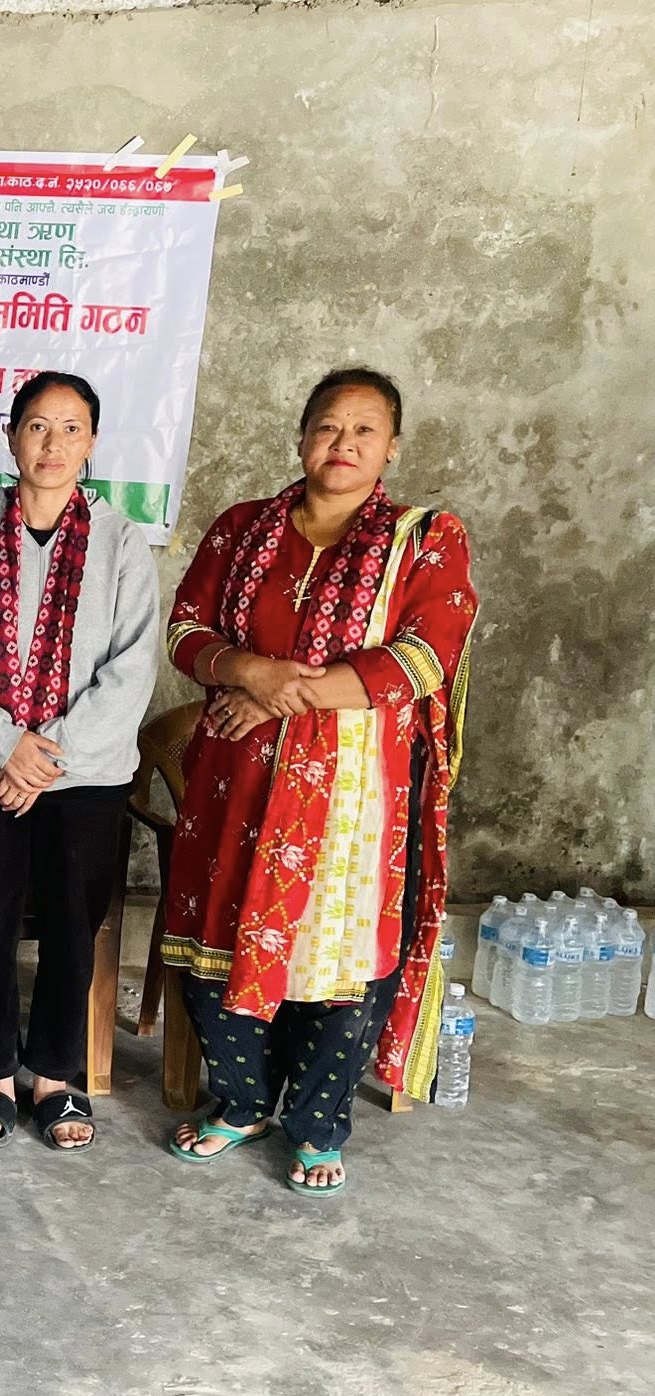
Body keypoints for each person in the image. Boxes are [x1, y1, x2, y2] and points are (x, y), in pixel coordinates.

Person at [160, 368, 477, 1196]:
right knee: (219, 940)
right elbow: (187, 630)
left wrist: (277, 693)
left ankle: (317, 1126)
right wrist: (246, 670)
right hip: (234, 784)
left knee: (337, 958)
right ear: (302, 437)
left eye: (365, 430)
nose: (344, 444)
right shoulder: (242, 529)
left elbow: (422, 657)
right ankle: (241, 1103)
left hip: (352, 795)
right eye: (329, 426)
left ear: (392, 447)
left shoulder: (425, 539)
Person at [0, 372, 160, 1151]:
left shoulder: (123, 544)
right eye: (37, 426)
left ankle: (55, 1076)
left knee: (71, 926)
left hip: (82, 776)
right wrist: (5, 746)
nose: (52, 444)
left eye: (71, 428)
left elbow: (131, 669)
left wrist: (44, 757)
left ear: (91, 443)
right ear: (11, 436)